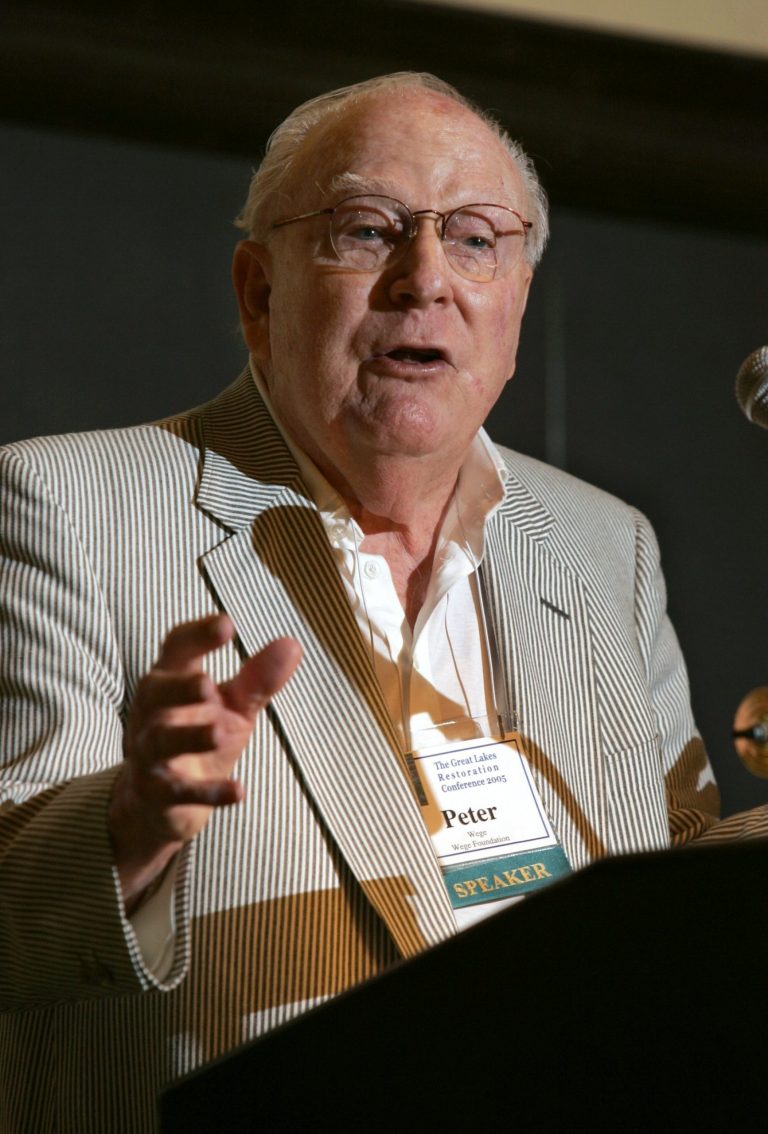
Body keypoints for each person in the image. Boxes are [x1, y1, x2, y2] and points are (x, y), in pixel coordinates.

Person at [1, 71, 765, 1134]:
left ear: (517, 305)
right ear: (259, 292)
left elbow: (669, 891)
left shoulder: (604, 544)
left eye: (477, 240)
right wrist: (129, 826)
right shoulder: (67, 506)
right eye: (367, 230)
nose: (426, 279)